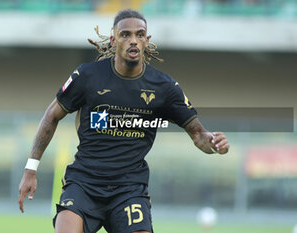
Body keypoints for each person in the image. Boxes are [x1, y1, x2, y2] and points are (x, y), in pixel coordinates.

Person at [18, 9, 230, 233]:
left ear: (147, 41)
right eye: (125, 34)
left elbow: (198, 134)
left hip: (128, 189)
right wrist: (30, 170)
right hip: (84, 184)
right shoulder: (87, 76)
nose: (133, 41)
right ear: (113, 40)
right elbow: (51, 116)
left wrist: (212, 142)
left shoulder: (164, 87)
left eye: (140, 35)